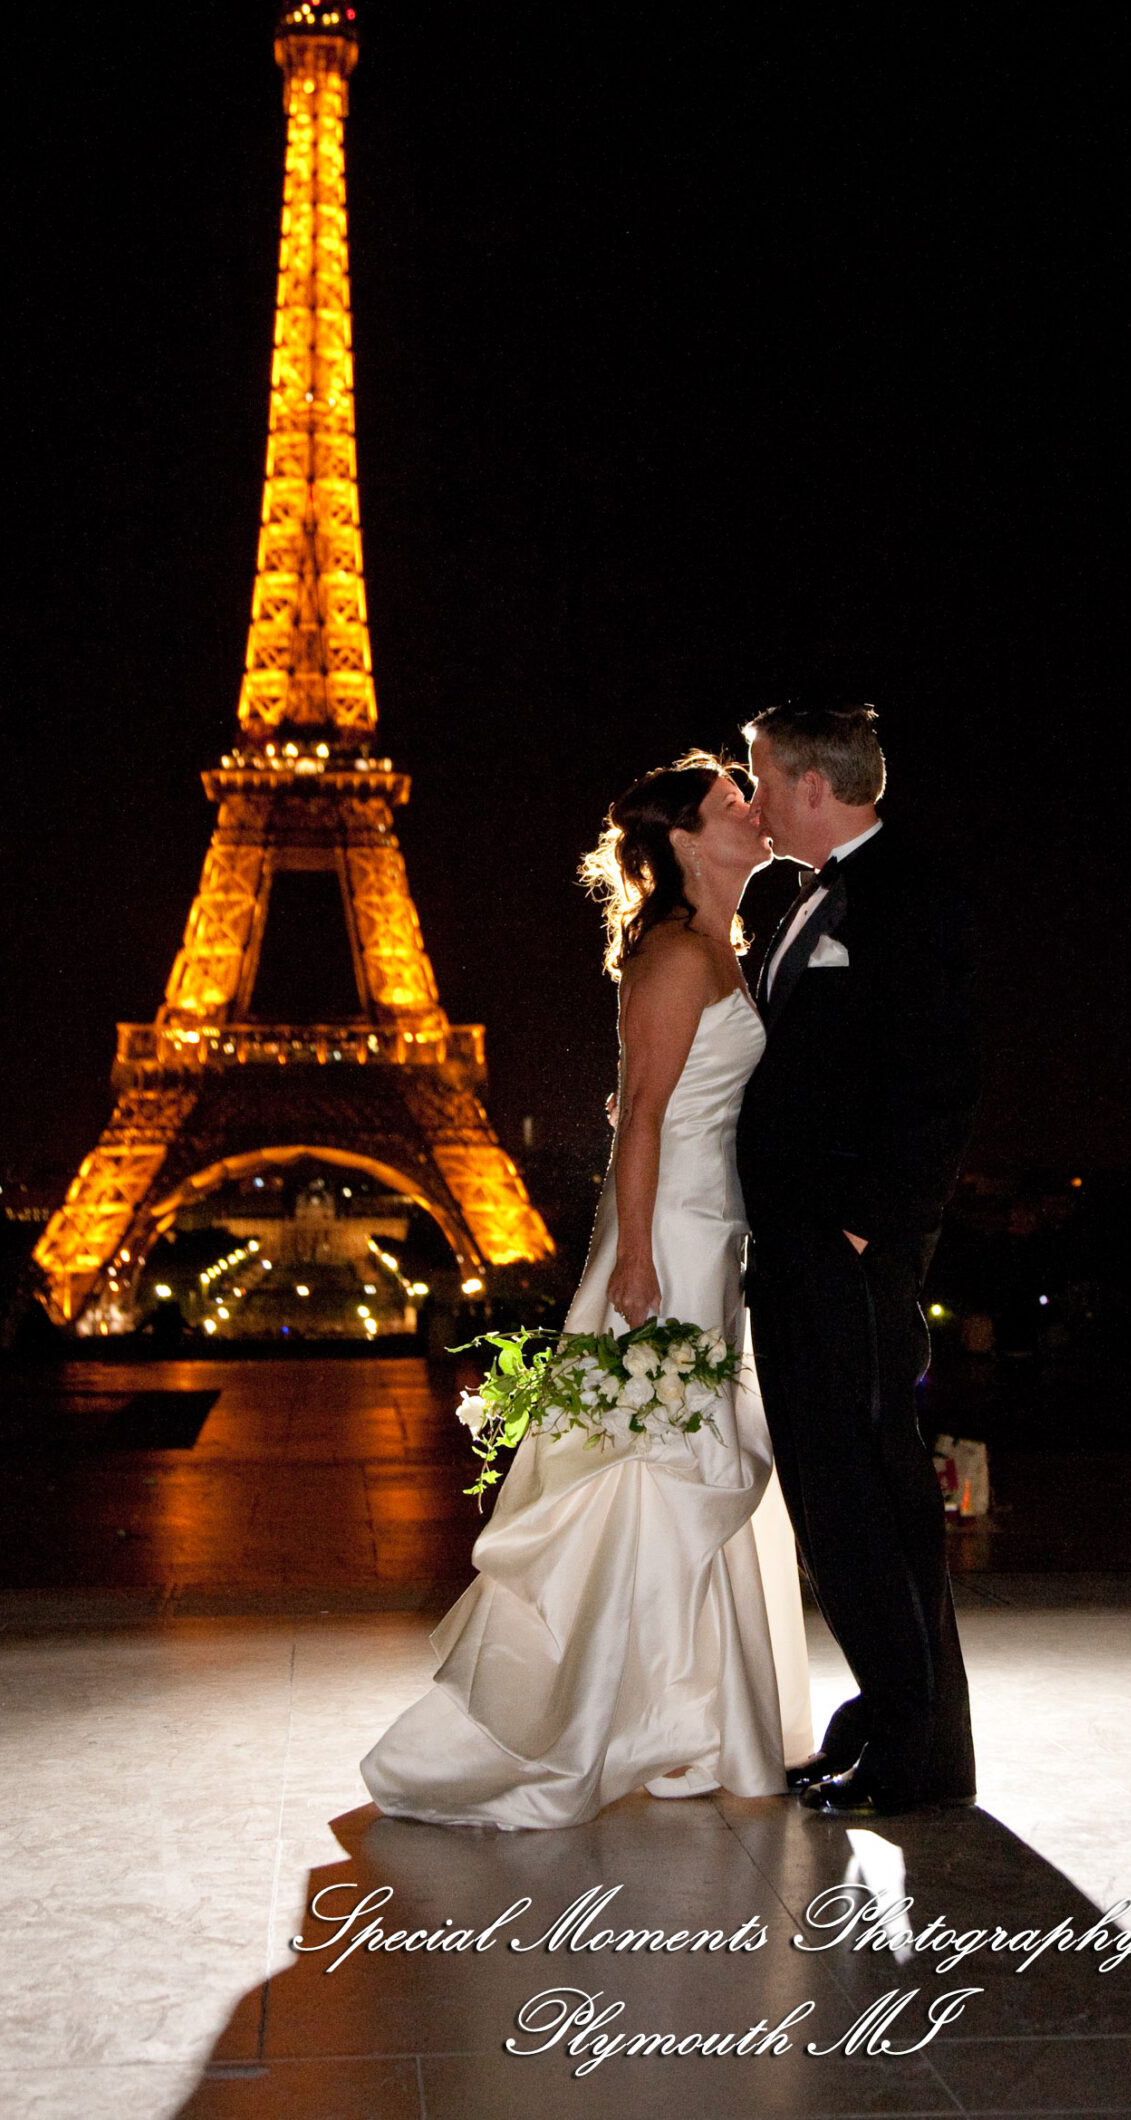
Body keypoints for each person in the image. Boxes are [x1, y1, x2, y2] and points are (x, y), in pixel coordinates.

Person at [360, 755, 812, 1828]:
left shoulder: (717, 945)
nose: (753, 811)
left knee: (675, 1464)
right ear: (689, 838)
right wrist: (642, 1258)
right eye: (731, 802)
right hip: (676, 1236)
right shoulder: (672, 956)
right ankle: (615, 1723)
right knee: (656, 1465)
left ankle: (680, 1721)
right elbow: (643, 1115)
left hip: (712, 1229)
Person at [736, 700, 981, 1816]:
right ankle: (892, 1716)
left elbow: (941, 1079)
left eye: (760, 778)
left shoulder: (908, 893)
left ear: (812, 786)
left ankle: (918, 1752)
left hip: (843, 1256)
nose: (751, 799)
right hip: (797, 1250)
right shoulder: (806, 900)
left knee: (872, 1496)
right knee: (839, 1503)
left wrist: (866, 1226)